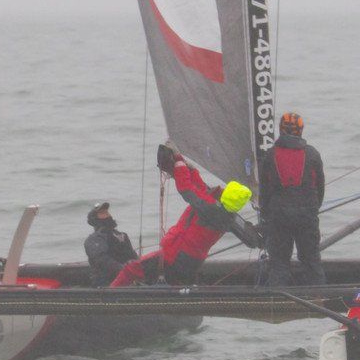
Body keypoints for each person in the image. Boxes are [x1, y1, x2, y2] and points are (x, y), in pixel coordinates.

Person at [111, 146, 253, 287]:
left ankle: (108, 296)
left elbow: (186, 189)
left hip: (175, 256)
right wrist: (188, 167)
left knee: (130, 269)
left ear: (227, 194)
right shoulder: (228, 215)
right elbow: (200, 188)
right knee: (174, 283)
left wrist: (179, 163)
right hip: (192, 261)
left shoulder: (210, 208)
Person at [260, 112, 326, 286]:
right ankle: (319, 297)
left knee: (279, 264)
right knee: (311, 261)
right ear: (301, 130)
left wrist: (266, 216)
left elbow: (264, 191)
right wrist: (312, 210)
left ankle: (276, 298)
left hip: (279, 217)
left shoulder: (270, 155)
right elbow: (320, 188)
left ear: (280, 130)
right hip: (307, 216)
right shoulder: (312, 154)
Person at [84, 202, 139, 287]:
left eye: (107, 212)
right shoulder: (94, 239)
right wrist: (124, 270)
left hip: (128, 279)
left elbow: (132, 255)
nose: (107, 214)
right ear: (95, 219)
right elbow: (101, 260)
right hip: (106, 283)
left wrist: (138, 266)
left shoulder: (122, 235)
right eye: (102, 213)